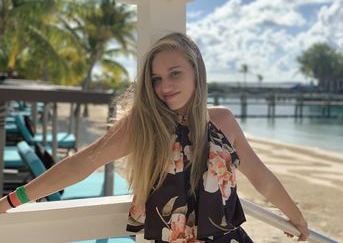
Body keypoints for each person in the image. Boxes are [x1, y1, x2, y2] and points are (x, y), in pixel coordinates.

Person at [0, 32, 309, 242]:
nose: (165, 86)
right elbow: (80, 165)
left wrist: (295, 217)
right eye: (157, 78)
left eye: (175, 73)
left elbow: (261, 176)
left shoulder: (223, 120)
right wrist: (14, 199)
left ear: (196, 71)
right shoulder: (144, 126)